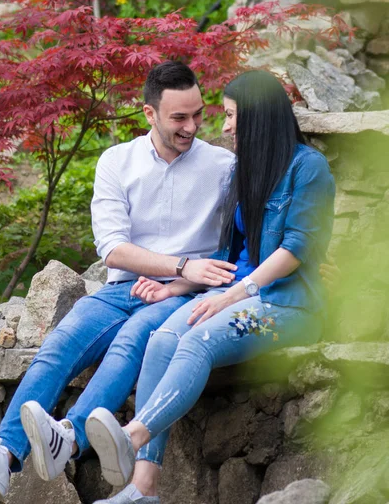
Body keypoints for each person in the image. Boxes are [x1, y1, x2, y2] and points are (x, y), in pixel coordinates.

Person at [0, 61, 237, 501]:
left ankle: (70, 436)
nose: (192, 126)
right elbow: (113, 249)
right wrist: (180, 264)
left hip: (181, 295)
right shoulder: (117, 161)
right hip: (124, 288)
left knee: (132, 340)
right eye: (179, 117)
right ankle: (3, 454)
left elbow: (237, 247)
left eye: (198, 114)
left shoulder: (224, 166)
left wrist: (184, 280)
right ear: (149, 113)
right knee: (60, 346)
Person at [85, 69, 336, 504]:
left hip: (290, 306)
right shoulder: (246, 170)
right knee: (163, 338)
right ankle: (142, 489)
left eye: (233, 116)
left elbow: (297, 248)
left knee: (197, 342)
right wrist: (178, 287)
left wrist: (236, 294)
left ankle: (133, 435)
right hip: (234, 293)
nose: (224, 126)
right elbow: (228, 254)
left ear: (258, 117)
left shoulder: (308, 168)